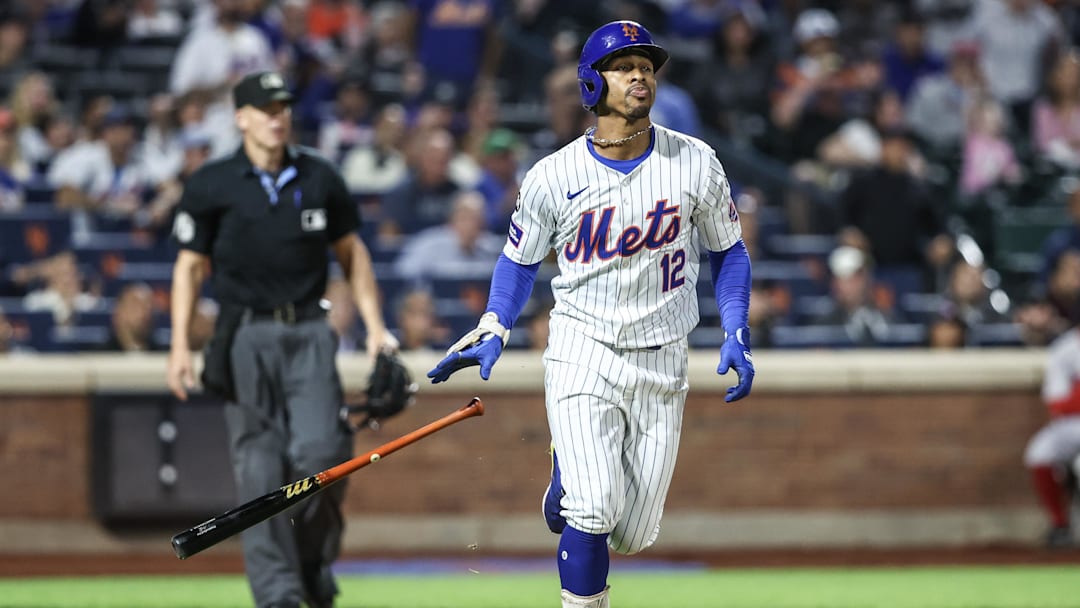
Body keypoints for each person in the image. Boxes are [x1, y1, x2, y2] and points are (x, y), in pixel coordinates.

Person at [425, 21, 754, 608]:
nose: (639, 76)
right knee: (593, 508)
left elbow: (729, 249)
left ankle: (565, 475)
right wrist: (497, 323)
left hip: (663, 354)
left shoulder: (695, 161)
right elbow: (518, 261)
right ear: (590, 84)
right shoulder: (553, 174)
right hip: (584, 348)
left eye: (646, 67)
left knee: (630, 533)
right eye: (623, 66)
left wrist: (736, 329)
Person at [166, 71, 397, 608]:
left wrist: (376, 327)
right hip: (244, 333)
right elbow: (188, 267)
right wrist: (179, 345)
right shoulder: (213, 182)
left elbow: (352, 253)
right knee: (259, 471)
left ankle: (311, 561)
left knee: (324, 454)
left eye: (283, 107)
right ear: (241, 117)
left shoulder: (318, 175)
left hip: (311, 332)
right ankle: (280, 596)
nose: (277, 116)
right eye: (265, 108)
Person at [1024, 320, 1080, 549]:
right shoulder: (1065, 349)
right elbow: (1057, 404)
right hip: (1069, 425)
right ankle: (1060, 525)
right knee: (1038, 453)